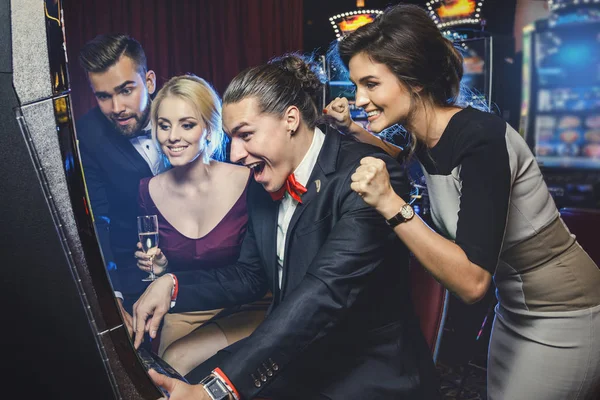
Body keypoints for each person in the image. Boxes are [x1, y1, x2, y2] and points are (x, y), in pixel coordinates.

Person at [324, 4, 600, 399]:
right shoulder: (427, 137)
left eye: (370, 84)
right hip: (514, 310)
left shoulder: (482, 137)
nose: (359, 98)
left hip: (565, 313)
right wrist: (353, 130)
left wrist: (390, 204)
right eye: (356, 87)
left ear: (414, 79)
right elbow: (414, 160)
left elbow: (472, 283)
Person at [132, 54, 439, 399]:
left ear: (290, 119)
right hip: (296, 356)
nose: (235, 154)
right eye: (232, 138)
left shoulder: (368, 175)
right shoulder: (262, 183)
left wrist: (217, 390)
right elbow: (249, 276)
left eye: (246, 135)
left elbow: (323, 293)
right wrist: (171, 284)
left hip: (364, 371)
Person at [133, 74, 268, 374]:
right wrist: (158, 267)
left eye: (187, 124)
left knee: (183, 364)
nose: (172, 136)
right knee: (164, 372)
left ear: (208, 128)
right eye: (164, 125)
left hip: (248, 305)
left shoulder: (248, 180)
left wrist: (169, 282)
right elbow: (157, 276)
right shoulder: (147, 190)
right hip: (187, 309)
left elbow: (256, 275)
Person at [77, 34, 167, 327]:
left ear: (149, 82)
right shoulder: (88, 135)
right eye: (103, 96)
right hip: (132, 279)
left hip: (200, 267)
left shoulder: (183, 110)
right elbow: (96, 221)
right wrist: (111, 295)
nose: (116, 107)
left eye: (126, 90)